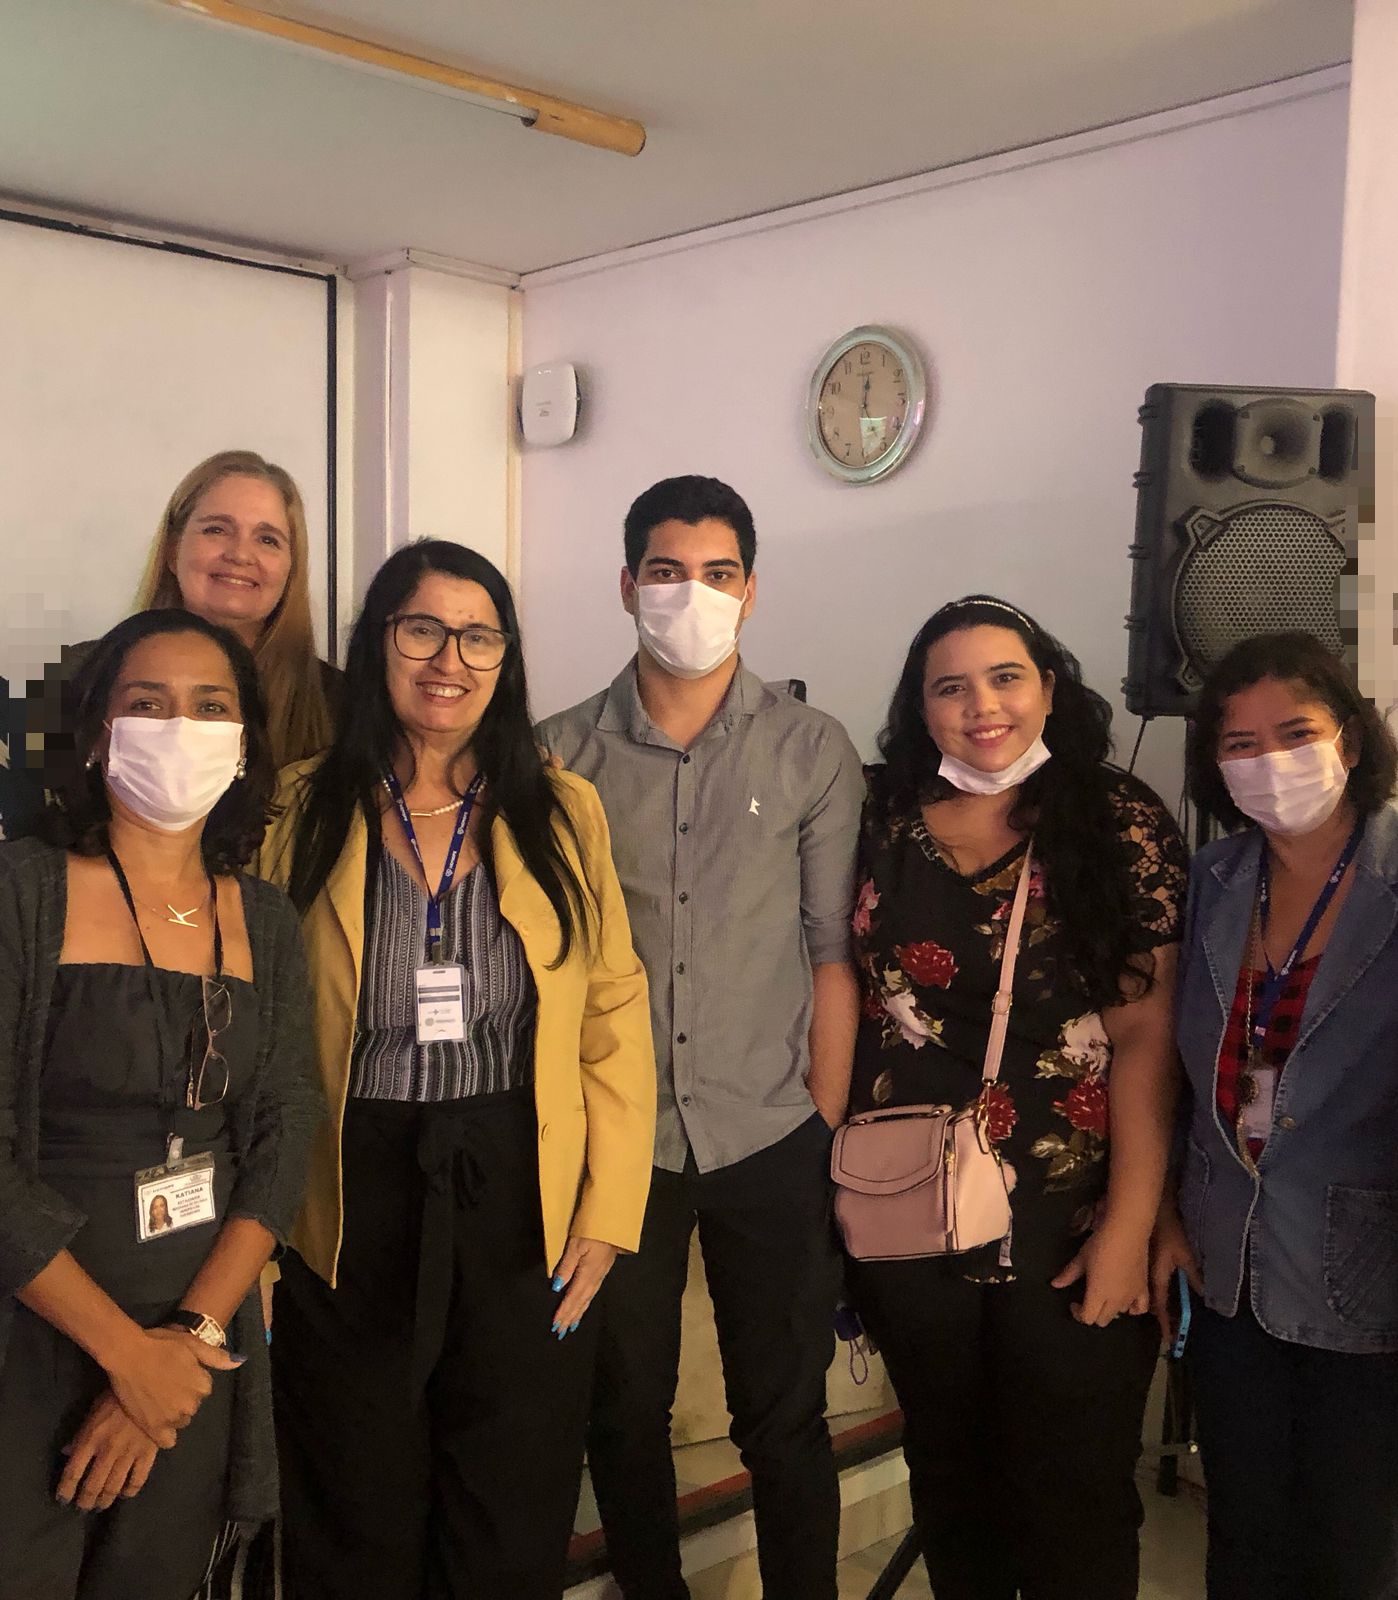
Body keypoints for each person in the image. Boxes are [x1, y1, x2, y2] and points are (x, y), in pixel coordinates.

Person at [257, 538, 656, 1600]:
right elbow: (255, 1029)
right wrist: (254, 1236)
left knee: (512, 1489)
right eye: (423, 629)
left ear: (506, 657)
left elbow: (612, 1008)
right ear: (377, 642)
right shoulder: (296, 807)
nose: (450, 659)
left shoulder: (561, 808)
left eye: (480, 636)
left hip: (521, 1179)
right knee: (355, 1486)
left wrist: (610, 1207)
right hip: (349, 1177)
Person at [537, 475, 865, 1600]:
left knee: (783, 1410)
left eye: (718, 573)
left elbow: (831, 951)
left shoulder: (812, 749)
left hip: (769, 1129)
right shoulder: (556, 755)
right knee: (622, 1406)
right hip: (616, 1143)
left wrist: (823, 1125)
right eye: (668, 572)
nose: (692, 594)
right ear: (627, 584)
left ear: (751, 590)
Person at [843, 595, 1186, 1600]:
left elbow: (1146, 1034)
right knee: (953, 1484)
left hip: (1066, 1214)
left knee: (1076, 1491)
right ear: (921, 708)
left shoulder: (1112, 818)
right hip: (910, 1205)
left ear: (1049, 689)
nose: (981, 705)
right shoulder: (880, 818)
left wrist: (1130, 1225)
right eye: (950, 687)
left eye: (1005, 678)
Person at [0, 609, 320, 1600]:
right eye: (150, 703)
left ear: (244, 744)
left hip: (197, 1343)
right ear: (99, 730)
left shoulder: (265, 918)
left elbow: (284, 1132)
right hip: (34, 1334)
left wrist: (186, 1341)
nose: (180, 728)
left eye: (210, 707)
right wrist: (124, 1357)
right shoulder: (22, 890)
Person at [1152, 631, 1398, 1599]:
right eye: (1240, 743)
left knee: (1352, 1548)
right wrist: (1166, 1214)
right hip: (1228, 1272)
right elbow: (1173, 1073)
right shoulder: (1212, 880)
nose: (1270, 762)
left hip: (1368, 1275)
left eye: (1295, 733)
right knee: (1244, 1536)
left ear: (1350, 737)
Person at [0, 450, 338, 843]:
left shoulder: (340, 706)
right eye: (216, 530)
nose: (240, 554)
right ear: (173, 550)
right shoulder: (68, 680)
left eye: (267, 539)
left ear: (291, 567)